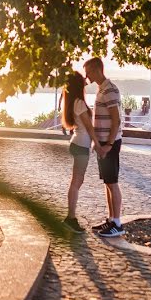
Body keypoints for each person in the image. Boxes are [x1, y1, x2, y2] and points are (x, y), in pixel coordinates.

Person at [83, 57, 124, 237]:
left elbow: (116, 120)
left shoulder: (110, 90)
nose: (87, 76)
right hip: (102, 144)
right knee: (107, 182)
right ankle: (110, 219)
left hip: (110, 144)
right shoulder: (101, 89)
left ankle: (117, 223)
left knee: (112, 182)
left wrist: (108, 144)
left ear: (98, 69)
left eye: (89, 71)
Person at [60, 72, 99, 234]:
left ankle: (70, 217)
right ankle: (70, 218)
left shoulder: (74, 102)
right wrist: (98, 145)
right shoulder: (80, 103)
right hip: (81, 145)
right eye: (82, 81)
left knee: (77, 181)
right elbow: (89, 128)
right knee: (76, 182)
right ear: (78, 85)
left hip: (78, 143)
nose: (85, 81)